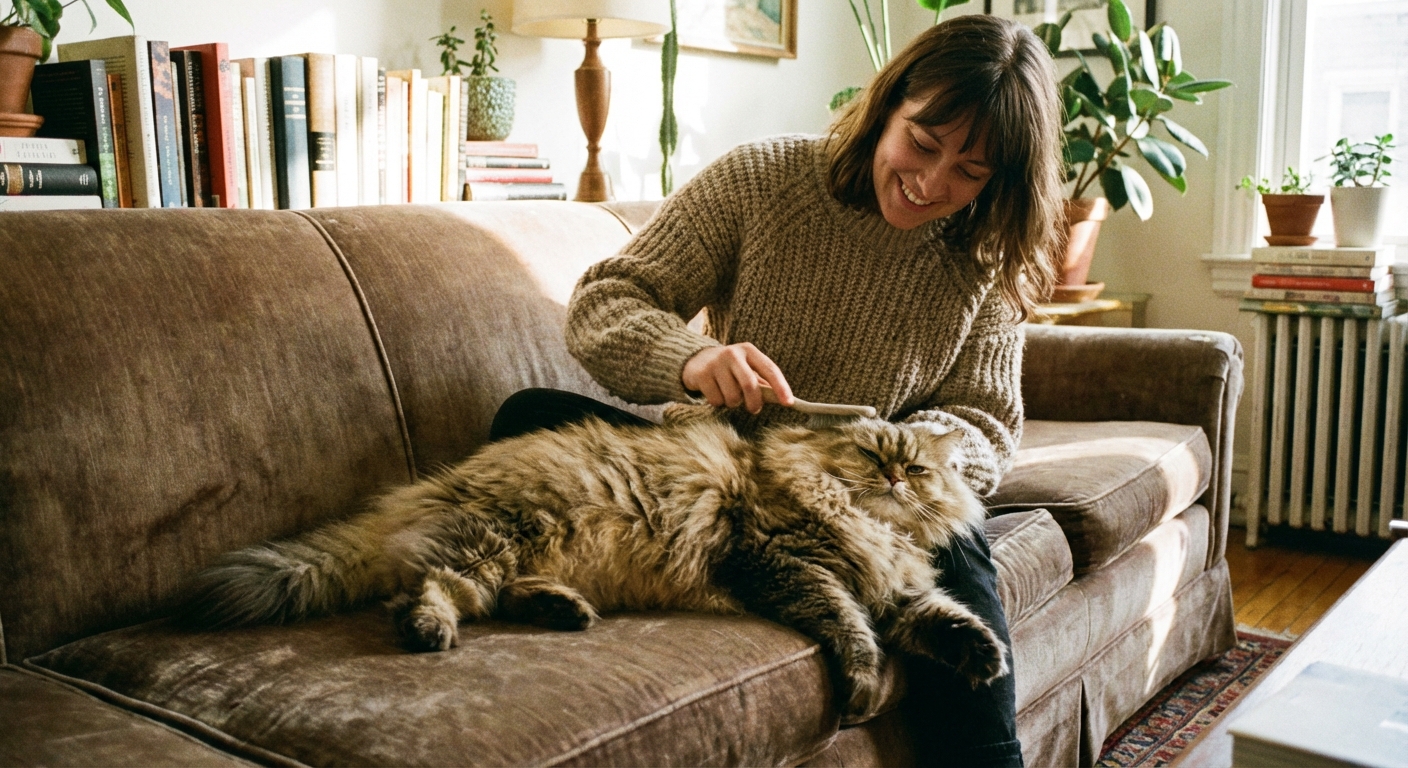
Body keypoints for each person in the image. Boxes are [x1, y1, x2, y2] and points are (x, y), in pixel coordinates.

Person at [489, 14, 1064, 768]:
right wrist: (693, 359)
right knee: (528, 418)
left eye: (970, 172)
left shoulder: (983, 260)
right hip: (720, 478)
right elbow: (607, 302)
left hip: (864, 503)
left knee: (959, 545)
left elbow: (985, 423)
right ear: (885, 105)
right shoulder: (762, 179)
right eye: (922, 144)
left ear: (1002, 182)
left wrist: (911, 457)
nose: (932, 182)